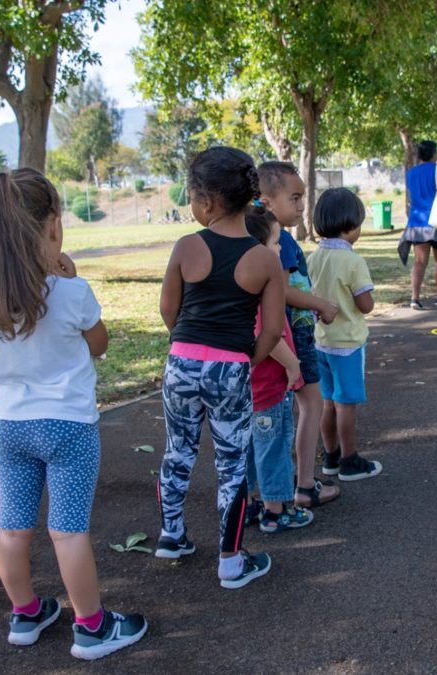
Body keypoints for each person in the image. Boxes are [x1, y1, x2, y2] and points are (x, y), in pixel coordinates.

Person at [0, 168, 147, 660]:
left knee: (13, 526)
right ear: (52, 226)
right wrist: (69, 280)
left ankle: (25, 613)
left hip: (13, 427)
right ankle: (91, 627)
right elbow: (100, 344)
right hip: (68, 427)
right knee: (67, 530)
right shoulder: (72, 292)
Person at [155, 147, 286, 589]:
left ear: (207, 202)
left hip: (181, 364)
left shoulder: (186, 246)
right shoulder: (266, 259)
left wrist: (190, 346)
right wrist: (245, 358)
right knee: (231, 465)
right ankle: (230, 561)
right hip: (231, 368)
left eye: (191, 196)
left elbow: (168, 309)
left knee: (179, 450)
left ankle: (172, 534)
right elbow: (270, 331)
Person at [257, 161, 343, 507]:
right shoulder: (277, 243)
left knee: (291, 410)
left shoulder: (278, 240)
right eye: (294, 198)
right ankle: (304, 485)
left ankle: (283, 487)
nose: (301, 206)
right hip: (292, 338)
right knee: (311, 404)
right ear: (266, 202)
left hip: (289, 338)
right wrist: (320, 303)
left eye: (302, 198)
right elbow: (283, 290)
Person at [242, 209, 315, 532]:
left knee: (246, 449)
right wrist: (292, 363)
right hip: (268, 389)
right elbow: (267, 337)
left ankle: (243, 505)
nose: (281, 249)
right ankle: (275, 510)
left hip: (249, 390)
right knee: (273, 448)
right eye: (274, 243)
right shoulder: (260, 297)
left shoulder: (242, 290)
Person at [307, 188, 382, 481]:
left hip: (321, 342)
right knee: (346, 404)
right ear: (350, 226)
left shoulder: (313, 258)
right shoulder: (353, 261)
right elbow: (365, 305)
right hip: (348, 344)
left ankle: (331, 457)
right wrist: (367, 300)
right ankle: (350, 461)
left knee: (328, 402)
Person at [401, 140, 437, 310]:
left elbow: (411, 196)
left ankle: (414, 298)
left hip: (416, 222)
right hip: (435, 221)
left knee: (419, 261)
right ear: (433, 153)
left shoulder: (411, 173)